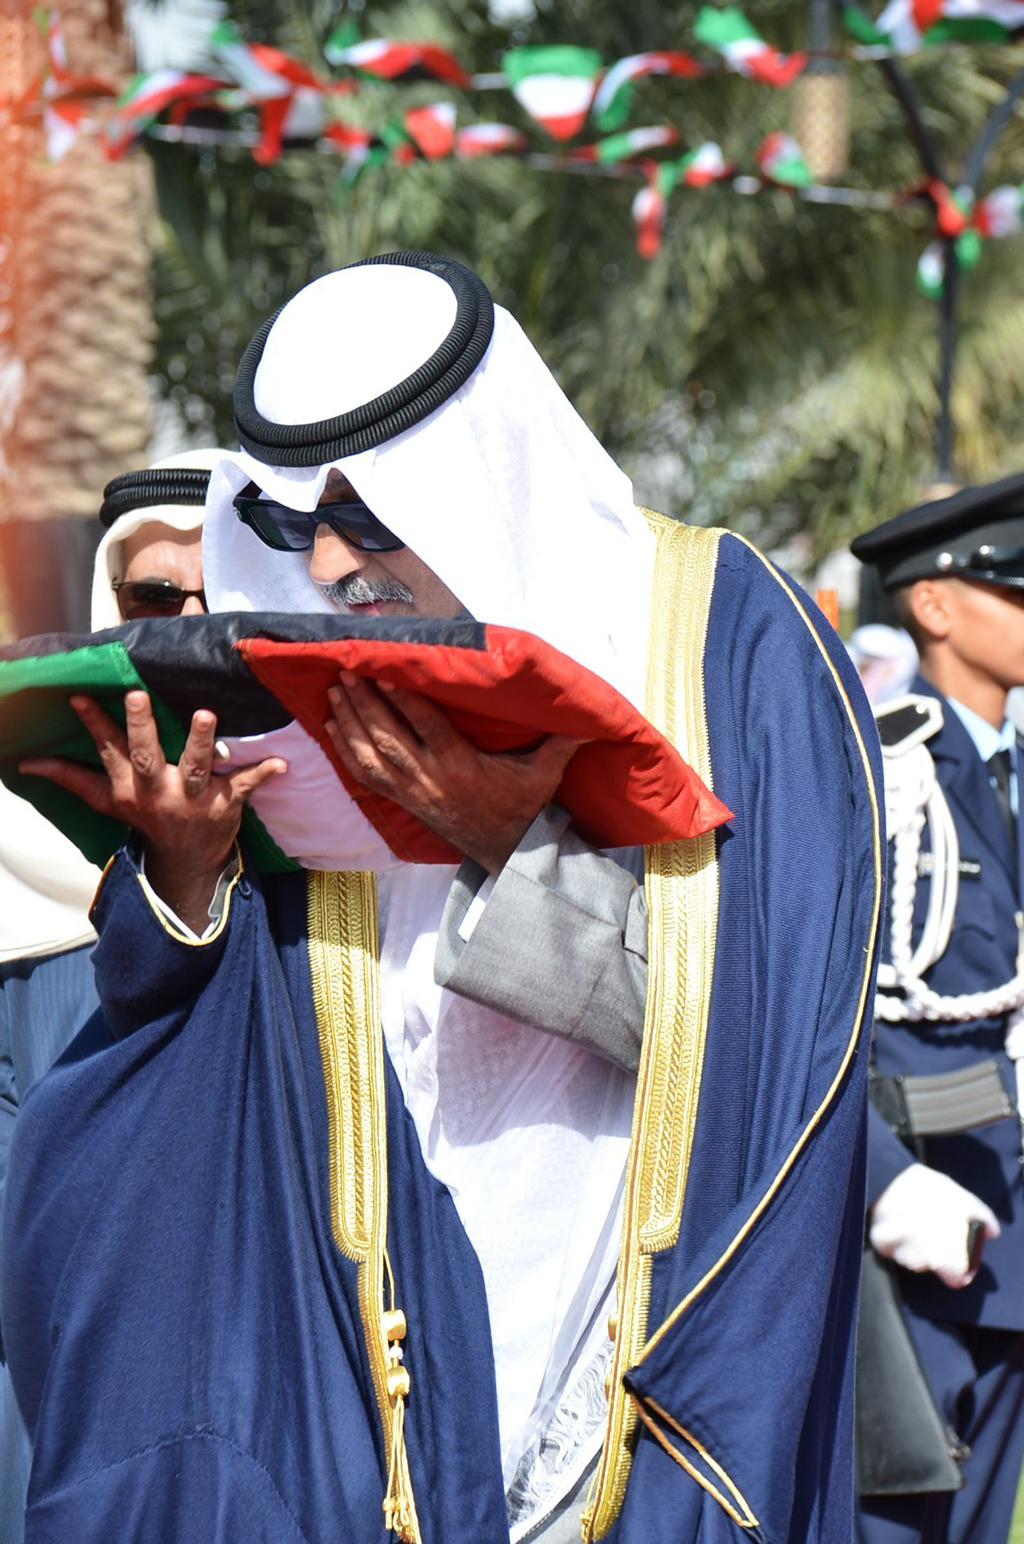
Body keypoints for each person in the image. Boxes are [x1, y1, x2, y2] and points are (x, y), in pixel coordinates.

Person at [3, 252, 882, 1544]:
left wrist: (504, 847)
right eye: (296, 524)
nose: (333, 561)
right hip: (349, 1315)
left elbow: (773, 1052)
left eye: (367, 514)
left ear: (477, 468)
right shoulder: (283, 641)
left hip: (623, 1327)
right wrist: (187, 871)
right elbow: (213, 1020)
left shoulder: (727, 645)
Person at [0, 449, 222, 1544]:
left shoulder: (337, 861)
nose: (185, 619)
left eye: (212, 591)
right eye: (153, 598)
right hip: (58, 1385)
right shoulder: (18, 869)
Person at [850, 474, 1024, 1544]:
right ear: (933, 604)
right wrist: (882, 1182)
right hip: (919, 1229)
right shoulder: (885, 768)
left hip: (1006, 1240)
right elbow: (826, 1016)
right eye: (1015, 586)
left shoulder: (1007, 771)